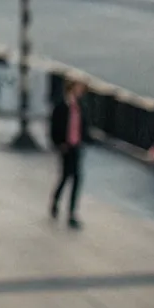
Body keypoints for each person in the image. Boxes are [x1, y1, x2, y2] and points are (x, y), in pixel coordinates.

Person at [50, 79, 90, 229]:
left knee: (77, 178)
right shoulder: (62, 106)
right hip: (66, 147)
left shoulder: (80, 106)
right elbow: (55, 125)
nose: (81, 91)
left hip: (77, 146)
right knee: (66, 176)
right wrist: (59, 143)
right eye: (78, 87)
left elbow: (83, 125)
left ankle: (72, 212)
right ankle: (56, 200)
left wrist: (84, 140)